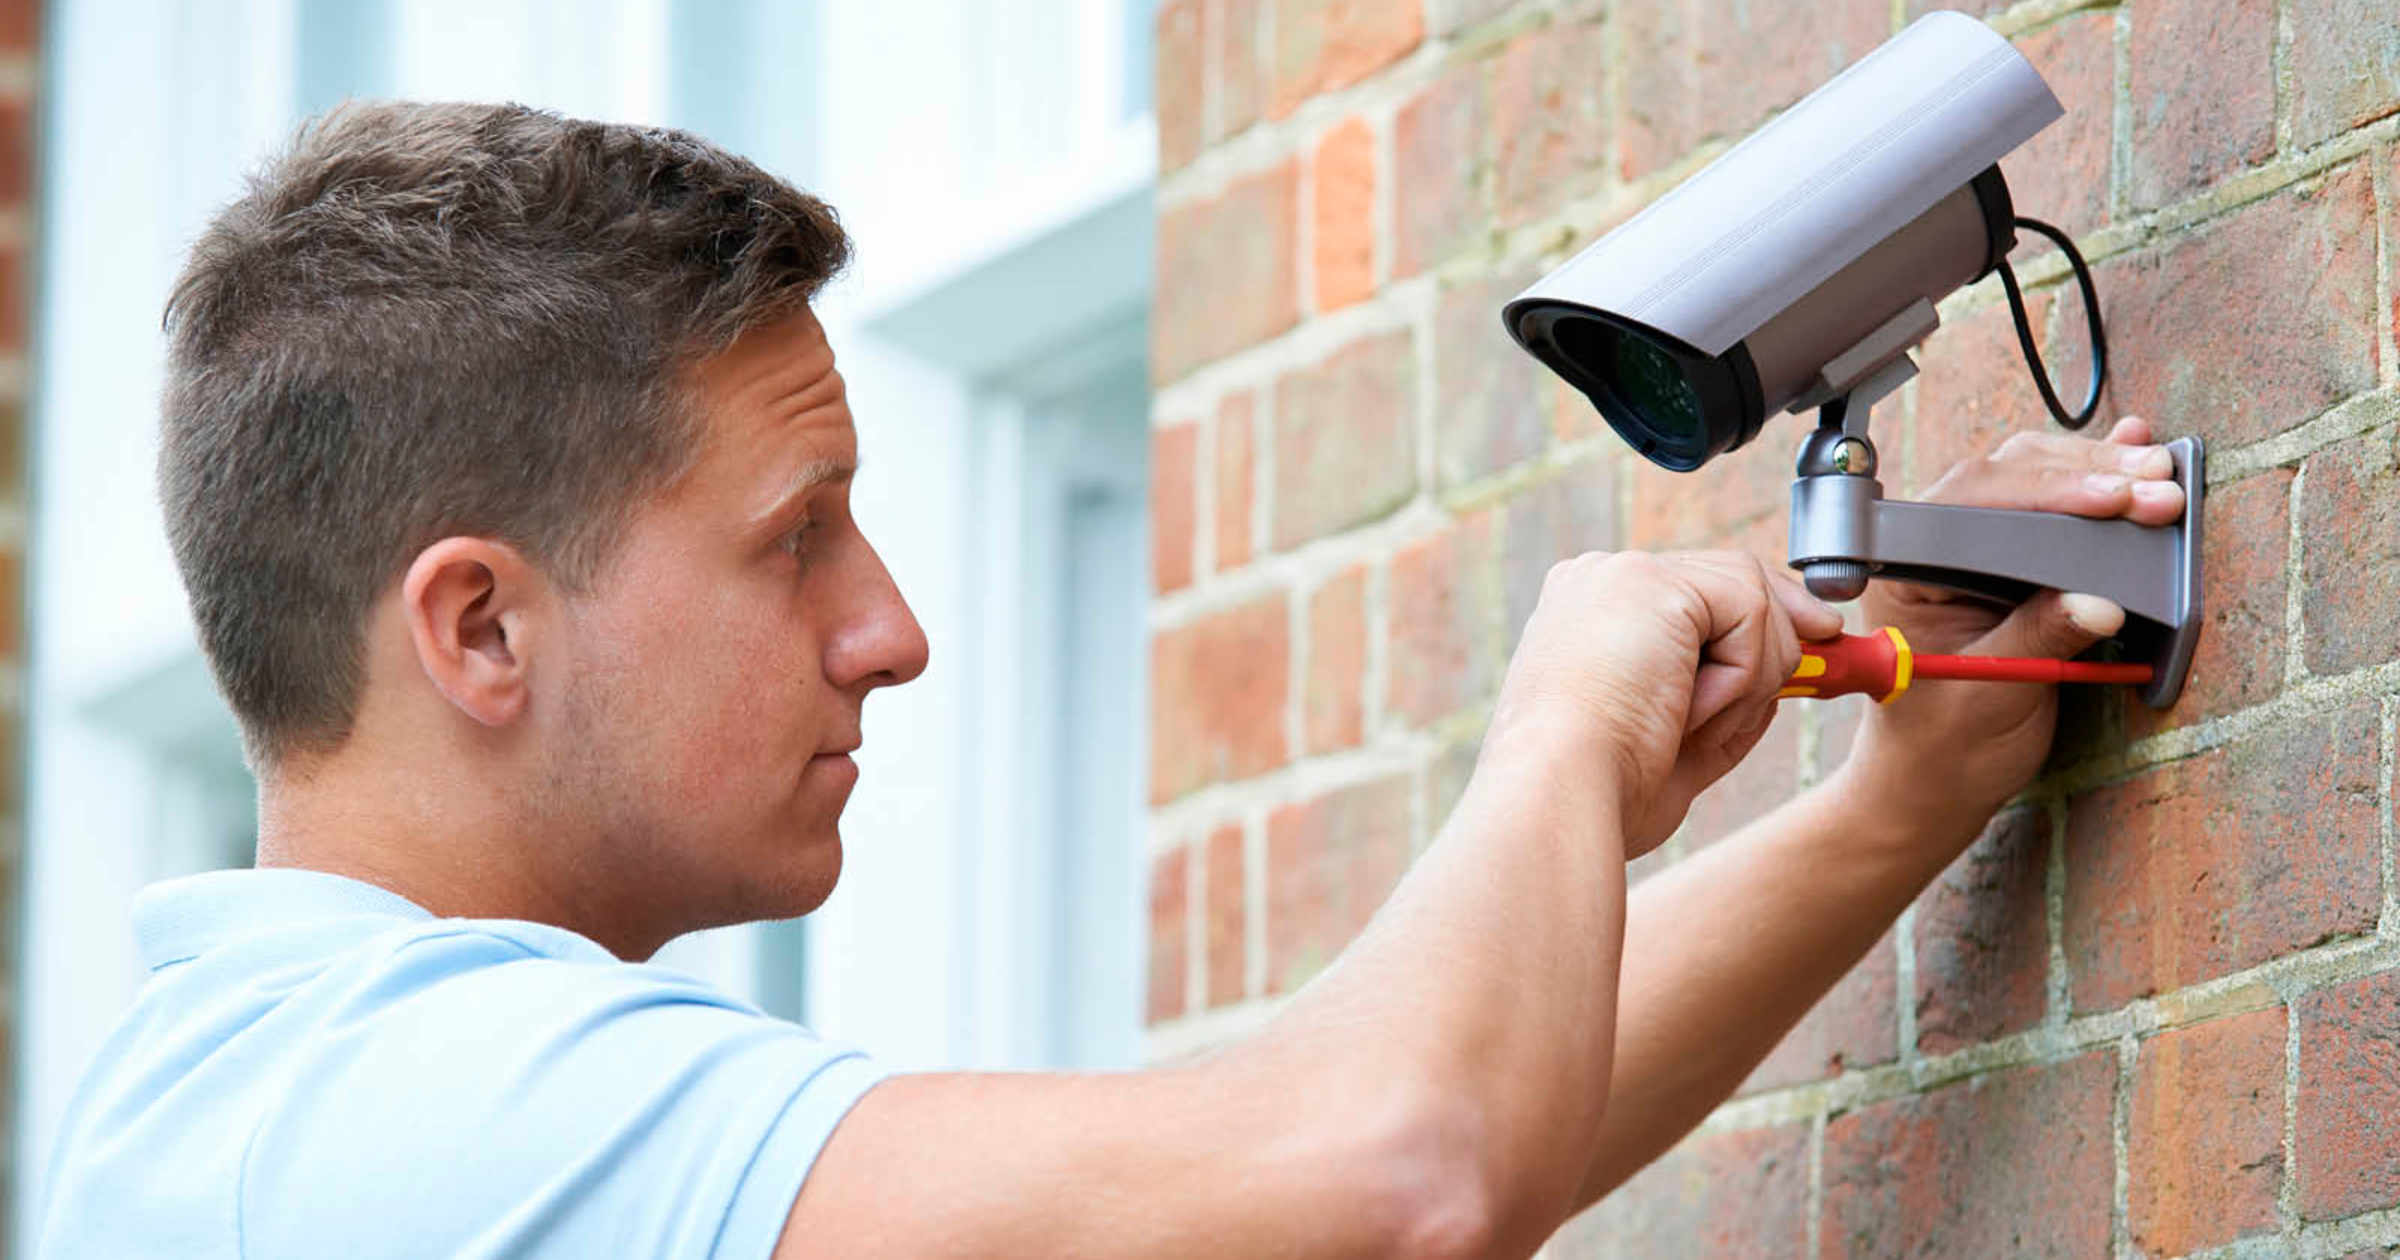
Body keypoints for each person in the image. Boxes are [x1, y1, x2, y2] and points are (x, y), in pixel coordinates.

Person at [37, 102, 2187, 1259]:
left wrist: (1893, 808)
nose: (890, 629)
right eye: (796, 536)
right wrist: (1562, 726)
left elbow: (1301, 1167)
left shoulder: (264, 1105)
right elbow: (1394, 1181)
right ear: (480, 629)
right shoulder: (409, 1112)